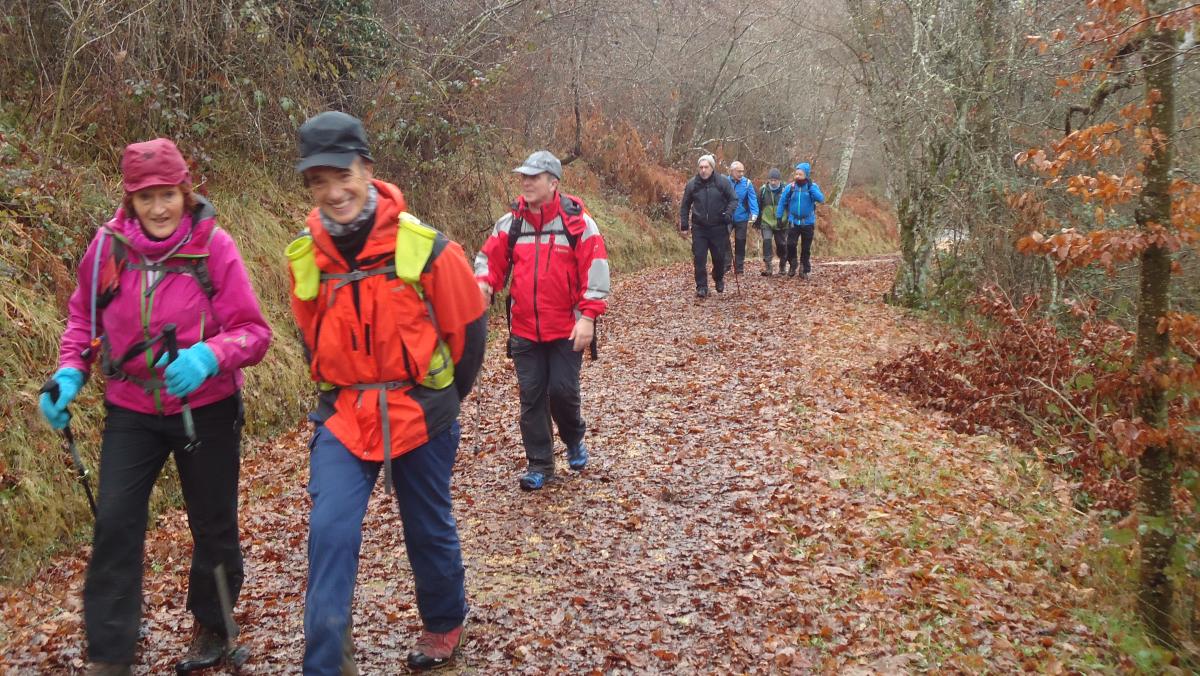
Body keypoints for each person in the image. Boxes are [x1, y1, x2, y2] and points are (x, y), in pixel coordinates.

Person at [38, 138, 272, 676]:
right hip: (132, 408)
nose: (160, 207)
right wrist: (71, 371)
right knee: (116, 521)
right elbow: (83, 322)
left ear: (185, 191)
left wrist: (211, 357)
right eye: (147, 197)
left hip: (205, 407)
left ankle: (212, 627)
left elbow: (254, 333)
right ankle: (110, 652)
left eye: (168, 193)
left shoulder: (213, 247)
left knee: (212, 523)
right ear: (130, 200)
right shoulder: (107, 248)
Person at [288, 111, 487, 674]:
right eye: (317, 182)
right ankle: (326, 658)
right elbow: (310, 334)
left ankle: (443, 623)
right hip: (346, 413)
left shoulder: (425, 246)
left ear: (367, 169)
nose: (332, 192)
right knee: (329, 529)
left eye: (341, 175)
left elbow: (468, 329)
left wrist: (444, 400)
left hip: (420, 410)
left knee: (426, 524)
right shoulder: (308, 254)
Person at [475, 150, 610, 491]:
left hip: (566, 328)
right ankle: (540, 463)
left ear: (553, 183)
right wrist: (483, 284)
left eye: (533, 177)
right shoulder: (512, 222)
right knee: (532, 397)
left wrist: (588, 317)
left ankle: (573, 436)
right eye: (523, 176)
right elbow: (488, 259)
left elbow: (595, 270)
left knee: (562, 392)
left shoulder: (577, 223)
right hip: (523, 329)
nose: (525, 182)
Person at [679, 154, 737, 297]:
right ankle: (702, 287)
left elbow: (733, 199)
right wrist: (685, 225)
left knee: (719, 258)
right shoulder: (692, 184)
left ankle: (718, 277)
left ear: (712, 168)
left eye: (706, 167)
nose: (703, 170)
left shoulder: (722, 182)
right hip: (699, 227)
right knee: (699, 257)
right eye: (701, 167)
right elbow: (685, 205)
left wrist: (728, 213)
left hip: (718, 226)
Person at [775, 162, 825, 279]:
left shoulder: (812, 187)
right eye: (796, 174)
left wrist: (811, 187)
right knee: (790, 244)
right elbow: (782, 202)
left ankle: (804, 268)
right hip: (793, 221)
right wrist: (779, 216)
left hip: (808, 222)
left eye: (800, 174)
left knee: (806, 247)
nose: (797, 176)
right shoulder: (790, 187)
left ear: (806, 175)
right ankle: (793, 264)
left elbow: (821, 199)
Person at [724, 161, 759, 276]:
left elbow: (752, 198)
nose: (741, 173)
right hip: (727, 216)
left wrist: (754, 213)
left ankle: (739, 268)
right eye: (739, 171)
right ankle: (726, 264)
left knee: (740, 241)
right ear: (732, 171)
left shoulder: (747, 183)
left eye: (742, 171)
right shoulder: (725, 182)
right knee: (723, 239)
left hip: (741, 217)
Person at [754, 168, 787, 276]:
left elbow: (790, 206)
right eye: (771, 180)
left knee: (781, 244)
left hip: (781, 222)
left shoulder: (785, 190)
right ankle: (768, 267)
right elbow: (758, 206)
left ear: (779, 180)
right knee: (767, 242)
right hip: (766, 222)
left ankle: (782, 265)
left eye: (775, 180)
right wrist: (757, 220)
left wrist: (790, 220)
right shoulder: (763, 190)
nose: (772, 182)